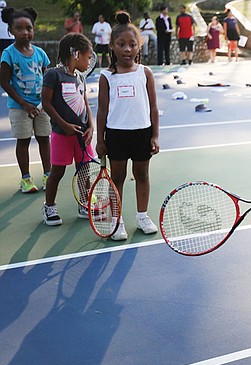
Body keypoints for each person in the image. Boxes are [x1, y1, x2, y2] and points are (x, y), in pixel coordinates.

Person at [96, 11, 159, 240]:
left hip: (142, 133)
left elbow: (153, 108)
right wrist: (100, 140)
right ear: (112, 46)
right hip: (116, 135)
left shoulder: (145, 73)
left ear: (139, 46)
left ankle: (142, 216)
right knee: (118, 178)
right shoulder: (106, 76)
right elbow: (102, 110)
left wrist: (155, 136)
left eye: (132, 44)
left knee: (142, 175)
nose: (127, 49)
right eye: (121, 44)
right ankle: (117, 221)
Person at [40, 33, 95, 225]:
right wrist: (64, 125)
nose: (90, 61)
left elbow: (85, 102)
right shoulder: (53, 74)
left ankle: (83, 203)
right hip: (62, 134)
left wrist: (91, 126)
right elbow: (46, 103)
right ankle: (49, 207)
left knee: (84, 171)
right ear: (76, 54)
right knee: (57, 172)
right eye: (88, 57)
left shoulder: (80, 77)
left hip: (82, 135)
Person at [0, 6, 51, 194]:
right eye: (19, 28)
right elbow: (4, 82)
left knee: (44, 139)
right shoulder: (8, 54)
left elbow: (48, 79)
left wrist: (45, 101)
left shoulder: (40, 53)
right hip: (19, 107)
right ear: (10, 31)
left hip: (41, 107)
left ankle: (48, 174)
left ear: (33, 29)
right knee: (23, 141)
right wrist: (24, 104)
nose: (25, 32)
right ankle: (26, 179)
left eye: (29, 28)